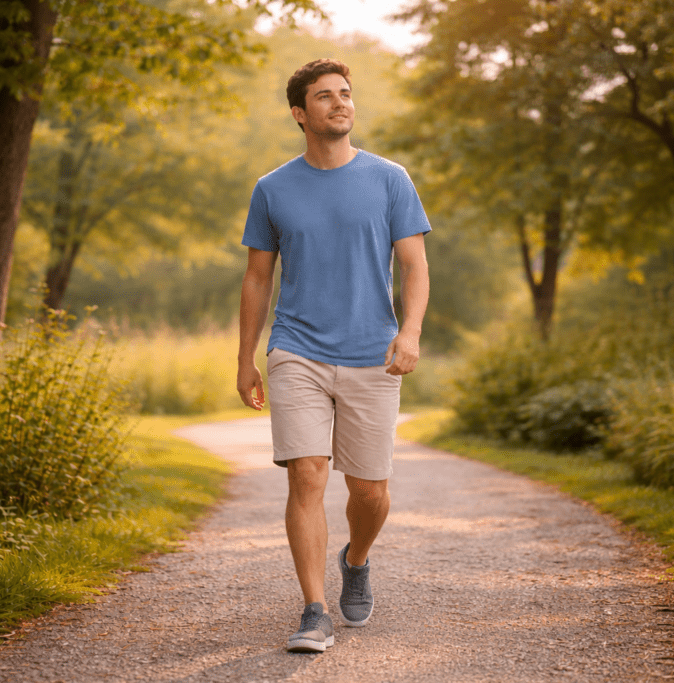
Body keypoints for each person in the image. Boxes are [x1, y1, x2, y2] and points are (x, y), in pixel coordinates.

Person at [236, 58, 431, 653]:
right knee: (308, 474)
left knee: (369, 493)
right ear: (300, 113)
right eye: (325, 97)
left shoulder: (390, 178)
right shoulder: (272, 188)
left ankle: (358, 557)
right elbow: (256, 279)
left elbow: (415, 267)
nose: (340, 103)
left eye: (346, 94)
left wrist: (410, 333)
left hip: (373, 351)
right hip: (296, 348)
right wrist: (246, 357)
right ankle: (314, 609)